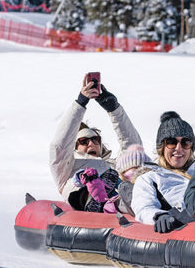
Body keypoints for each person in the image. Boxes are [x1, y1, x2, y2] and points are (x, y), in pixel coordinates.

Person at [49, 74, 143, 212]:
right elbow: (60, 146)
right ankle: (94, 199)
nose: (91, 144)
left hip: (118, 205)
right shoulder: (66, 166)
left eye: (95, 140)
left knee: (129, 172)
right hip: (81, 199)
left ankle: (126, 202)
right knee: (88, 177)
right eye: (84, 141)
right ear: (74, 147)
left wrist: (115, 110)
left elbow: (133, 150)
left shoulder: (113, 166)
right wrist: (80, 103)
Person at [130, 111, 195, 233]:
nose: (178, 148)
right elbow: (144, 207)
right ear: (162, 147)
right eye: (171, 142)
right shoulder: (149, 178)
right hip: (183, 233)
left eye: (185, 142)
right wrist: (159, 215)